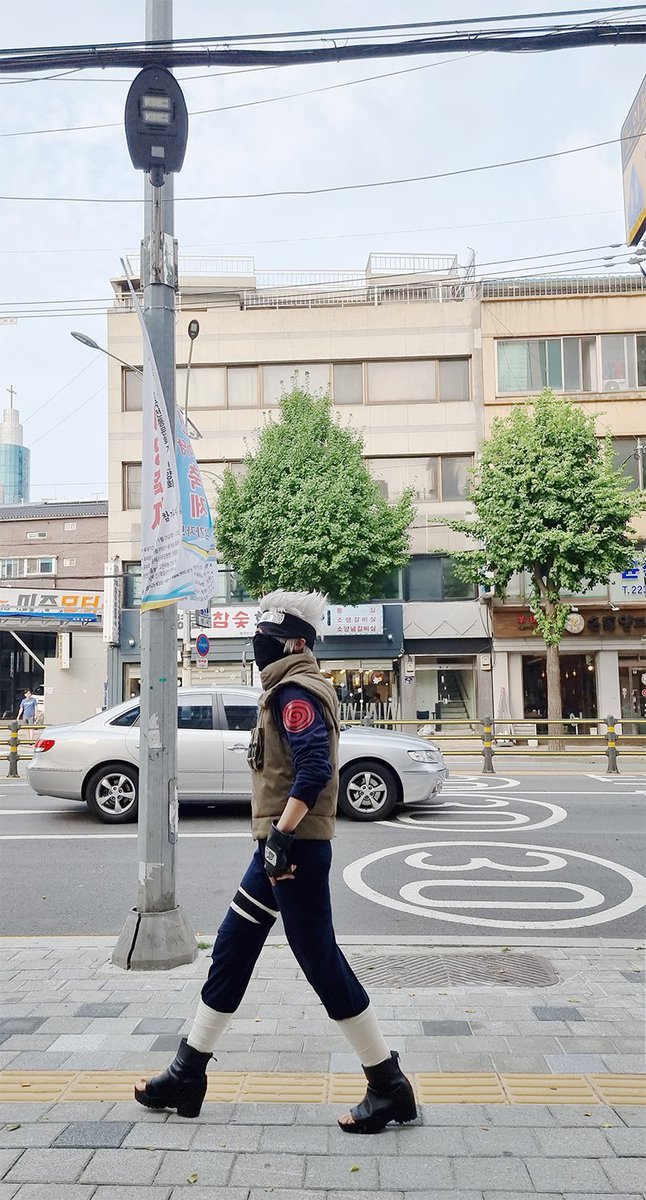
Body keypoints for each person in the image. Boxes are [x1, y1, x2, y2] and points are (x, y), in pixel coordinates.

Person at [135, 589, 416, 1134]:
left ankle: (388, 1086)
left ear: (293, 643)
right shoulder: (285, 688)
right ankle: (187, 1072)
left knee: (320, 962)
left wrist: (281, 840)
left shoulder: (296, 692)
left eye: (265, 639)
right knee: (232, 950)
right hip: (278, 849)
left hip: (293, 852)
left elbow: (314, 769)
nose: (257, 647)